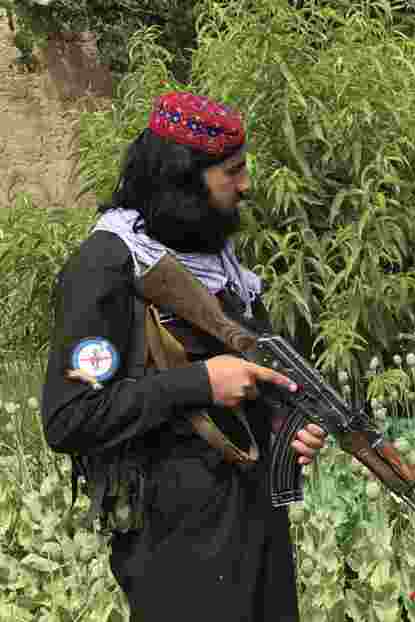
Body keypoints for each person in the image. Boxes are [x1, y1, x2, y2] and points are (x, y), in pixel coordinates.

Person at [39, 91, 327, 622]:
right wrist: (199, 383)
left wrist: (291, 422)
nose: (246, 185)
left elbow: (255, 373)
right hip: (176, 549)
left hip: (256, 526)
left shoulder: (218, 260)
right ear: (183, 179)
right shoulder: (108, 268)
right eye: (231, 172)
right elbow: (70, 417)